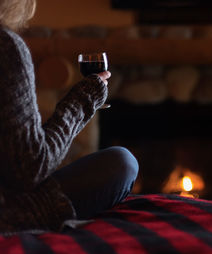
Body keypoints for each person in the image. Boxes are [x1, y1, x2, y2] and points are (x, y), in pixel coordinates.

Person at [0, 0, 138, 235]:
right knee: (122, 163)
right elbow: (30, 168)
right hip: (9, 209)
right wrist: (84, 99)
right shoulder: (6, 48)